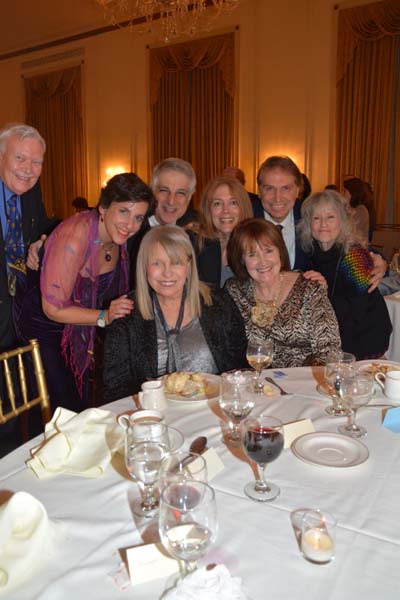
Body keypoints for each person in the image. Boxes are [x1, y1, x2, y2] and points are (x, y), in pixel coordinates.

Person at [15, 173, 154, 411]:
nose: (130, 225)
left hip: (79, 329)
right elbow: (53, 308)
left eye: (138, 217)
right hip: (45, 328)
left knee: (85, 401)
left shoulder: (119, 237)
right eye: (123, 212)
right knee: (65, 408)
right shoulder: (75, 236)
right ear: (103, 208)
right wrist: (103, 317)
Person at [103, 225, 248, 400]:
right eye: (157, 263)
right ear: (144, 267)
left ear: (189, 265)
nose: (167, 273)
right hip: (155, 416)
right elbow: (114, 387)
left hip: (213, 410)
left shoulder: (218, 301)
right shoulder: (126, 313)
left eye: (176, 262)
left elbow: (240, 367)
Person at [252, 155, 386, 288]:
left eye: (286, 188)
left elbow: (349, 243)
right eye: (269, 188)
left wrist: (378, 261)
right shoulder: (246, 219)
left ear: (297, 190)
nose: (277, 198)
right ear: (259, 191)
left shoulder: (310, 214)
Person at [225, 218, 341, 367]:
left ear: (280, 251)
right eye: (252, 254)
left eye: (269, 251)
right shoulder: (235, 291)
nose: (263, 262)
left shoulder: (309, 290)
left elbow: (329, 350)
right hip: (255, 382)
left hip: (303, 381)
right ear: (241, 259)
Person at [297, 190, 392, 359]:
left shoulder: (355, 255)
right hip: (334, 336)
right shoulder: (311, 252)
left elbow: (359, 310)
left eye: (330, 217)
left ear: (342, 221)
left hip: (364, 339)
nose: (323, 224)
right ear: (308, 223)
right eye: (316, 218)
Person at [0, 123, 53, 353]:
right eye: (20, 158)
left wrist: (41, 240)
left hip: (20, 314)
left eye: (36, 162)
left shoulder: (31, 189)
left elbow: (42, 227)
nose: (28, 169)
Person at [128, 157, 198, 286]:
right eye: (164, 191)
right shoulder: (130, 231)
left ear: (190, 197)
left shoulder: (197, 234)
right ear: (152, 191)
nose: (171, 201)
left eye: (180, 193)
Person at [194, 175, 253, 286]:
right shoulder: (195, 245)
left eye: (233, 203)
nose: (226, 211)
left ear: (243, 207)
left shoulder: (254, 244)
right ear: (208, 210)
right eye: (217, 203)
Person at [343, 177, 375, 242]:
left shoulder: (361, 210)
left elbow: (347, 231)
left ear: (352, 193)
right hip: (347, 245)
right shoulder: (346, 208)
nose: (341, 193)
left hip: (357, 248)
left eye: (344, 191)